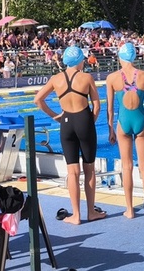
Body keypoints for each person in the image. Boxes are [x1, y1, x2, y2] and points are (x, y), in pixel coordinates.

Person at [34, 46, 105, 225]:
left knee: (72, 172)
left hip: (66, 123)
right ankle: (91, 212)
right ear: (80, 60)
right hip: (84, 121)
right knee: (89, 169)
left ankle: (75, 215)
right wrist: (89, 123)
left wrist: (55, 116)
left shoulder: (56, 79)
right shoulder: (86, 77)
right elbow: (97, 106)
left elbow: (38, 100)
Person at [105, 42, 144, 219]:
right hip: (141, 121)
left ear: (120, 57)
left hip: (123, 123)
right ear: (135, 57)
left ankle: (130, 210)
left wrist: (111, 129)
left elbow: (110, 109)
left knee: (126, 167)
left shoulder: (112, 78)